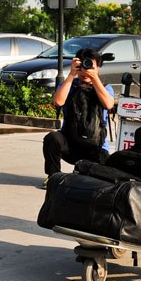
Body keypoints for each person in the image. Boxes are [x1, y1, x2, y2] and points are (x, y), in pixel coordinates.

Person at [42, 47, 116, 185]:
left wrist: (94, 79)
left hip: (96, 148)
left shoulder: (105, 88)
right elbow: (58, 101)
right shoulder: (69, 85)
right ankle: (53, 177)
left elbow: (108, 104)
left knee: (98, 181)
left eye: (91, 66)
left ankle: (86, 172)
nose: (85, 71)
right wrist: (71, 74)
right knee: (52, 138)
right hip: (71, 145)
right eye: (82, 66)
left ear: (98, 68)